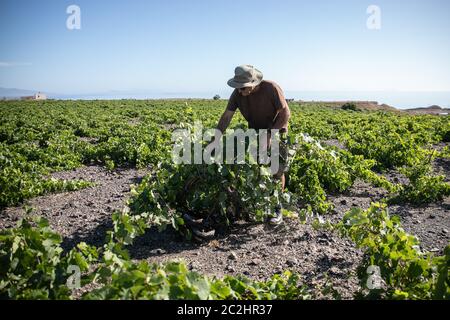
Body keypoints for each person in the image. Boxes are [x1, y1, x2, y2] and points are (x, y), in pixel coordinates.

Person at [209, 65, 291, 225]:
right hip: (255, 132)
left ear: (254, 83)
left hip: (276, 130)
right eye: (238, 88)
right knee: (259, 168)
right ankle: (260, 202)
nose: (240, 91)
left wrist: (270, 134)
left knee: (276, 169)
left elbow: (286, 113)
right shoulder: (238, 93)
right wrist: (214, 140)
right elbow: (226, 117)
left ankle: (277, 207)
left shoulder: (271, 88)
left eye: (243, 88)